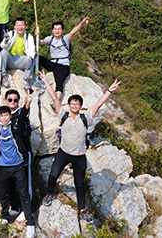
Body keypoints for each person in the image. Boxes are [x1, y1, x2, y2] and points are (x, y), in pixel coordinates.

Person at [41, 72, 121, 224]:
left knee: (79, 184)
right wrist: (45, 81)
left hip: (79, 157)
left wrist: (109, 91)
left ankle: (82, 209)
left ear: (80, 106)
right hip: (63, 153)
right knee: (53, 175)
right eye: (72, 103)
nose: (74, 105)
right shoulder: (63, 115)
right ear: (69, 105)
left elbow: (98, 104)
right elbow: (54, 98)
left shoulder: (85, 118)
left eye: (77, 104)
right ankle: (50, 194)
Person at [0, 92, 36, 238]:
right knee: (4, 193)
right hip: (3, 167)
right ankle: (5, 216)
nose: (4, 117)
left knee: (23, 194)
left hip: (18, 166)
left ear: (10, 116)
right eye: (1, 115)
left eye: (6, 115)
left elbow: (22, 117)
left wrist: (27, 104)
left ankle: (30, 224)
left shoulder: (16, 126)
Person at [38, 17, 89, 101]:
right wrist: (37, 35)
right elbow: (40, 42)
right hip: (53, 63)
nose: (57, 31)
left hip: (63, 65)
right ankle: (38, 77)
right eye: (55, 29)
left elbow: (73, 31)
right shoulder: (49, 39)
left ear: (62, 31)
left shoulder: (65, 39)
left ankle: (57, 100)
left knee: (59, 83)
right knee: (38, 58)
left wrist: (81, 23)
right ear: (52, 30)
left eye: (59, 29)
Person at [0, 18, 37, 88]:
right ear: (15, 26)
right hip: (10, 59)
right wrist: (6, 41)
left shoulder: (29, 36)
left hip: (21, 60)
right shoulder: (11, 33)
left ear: (25, 26)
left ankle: (26, 79)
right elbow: (2, 46)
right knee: (3, 52)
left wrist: (30, 58)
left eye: (22, 25)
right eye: (18, 25)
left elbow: (32, 49)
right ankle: (3, 75)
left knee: (32, 58)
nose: (20, 27)